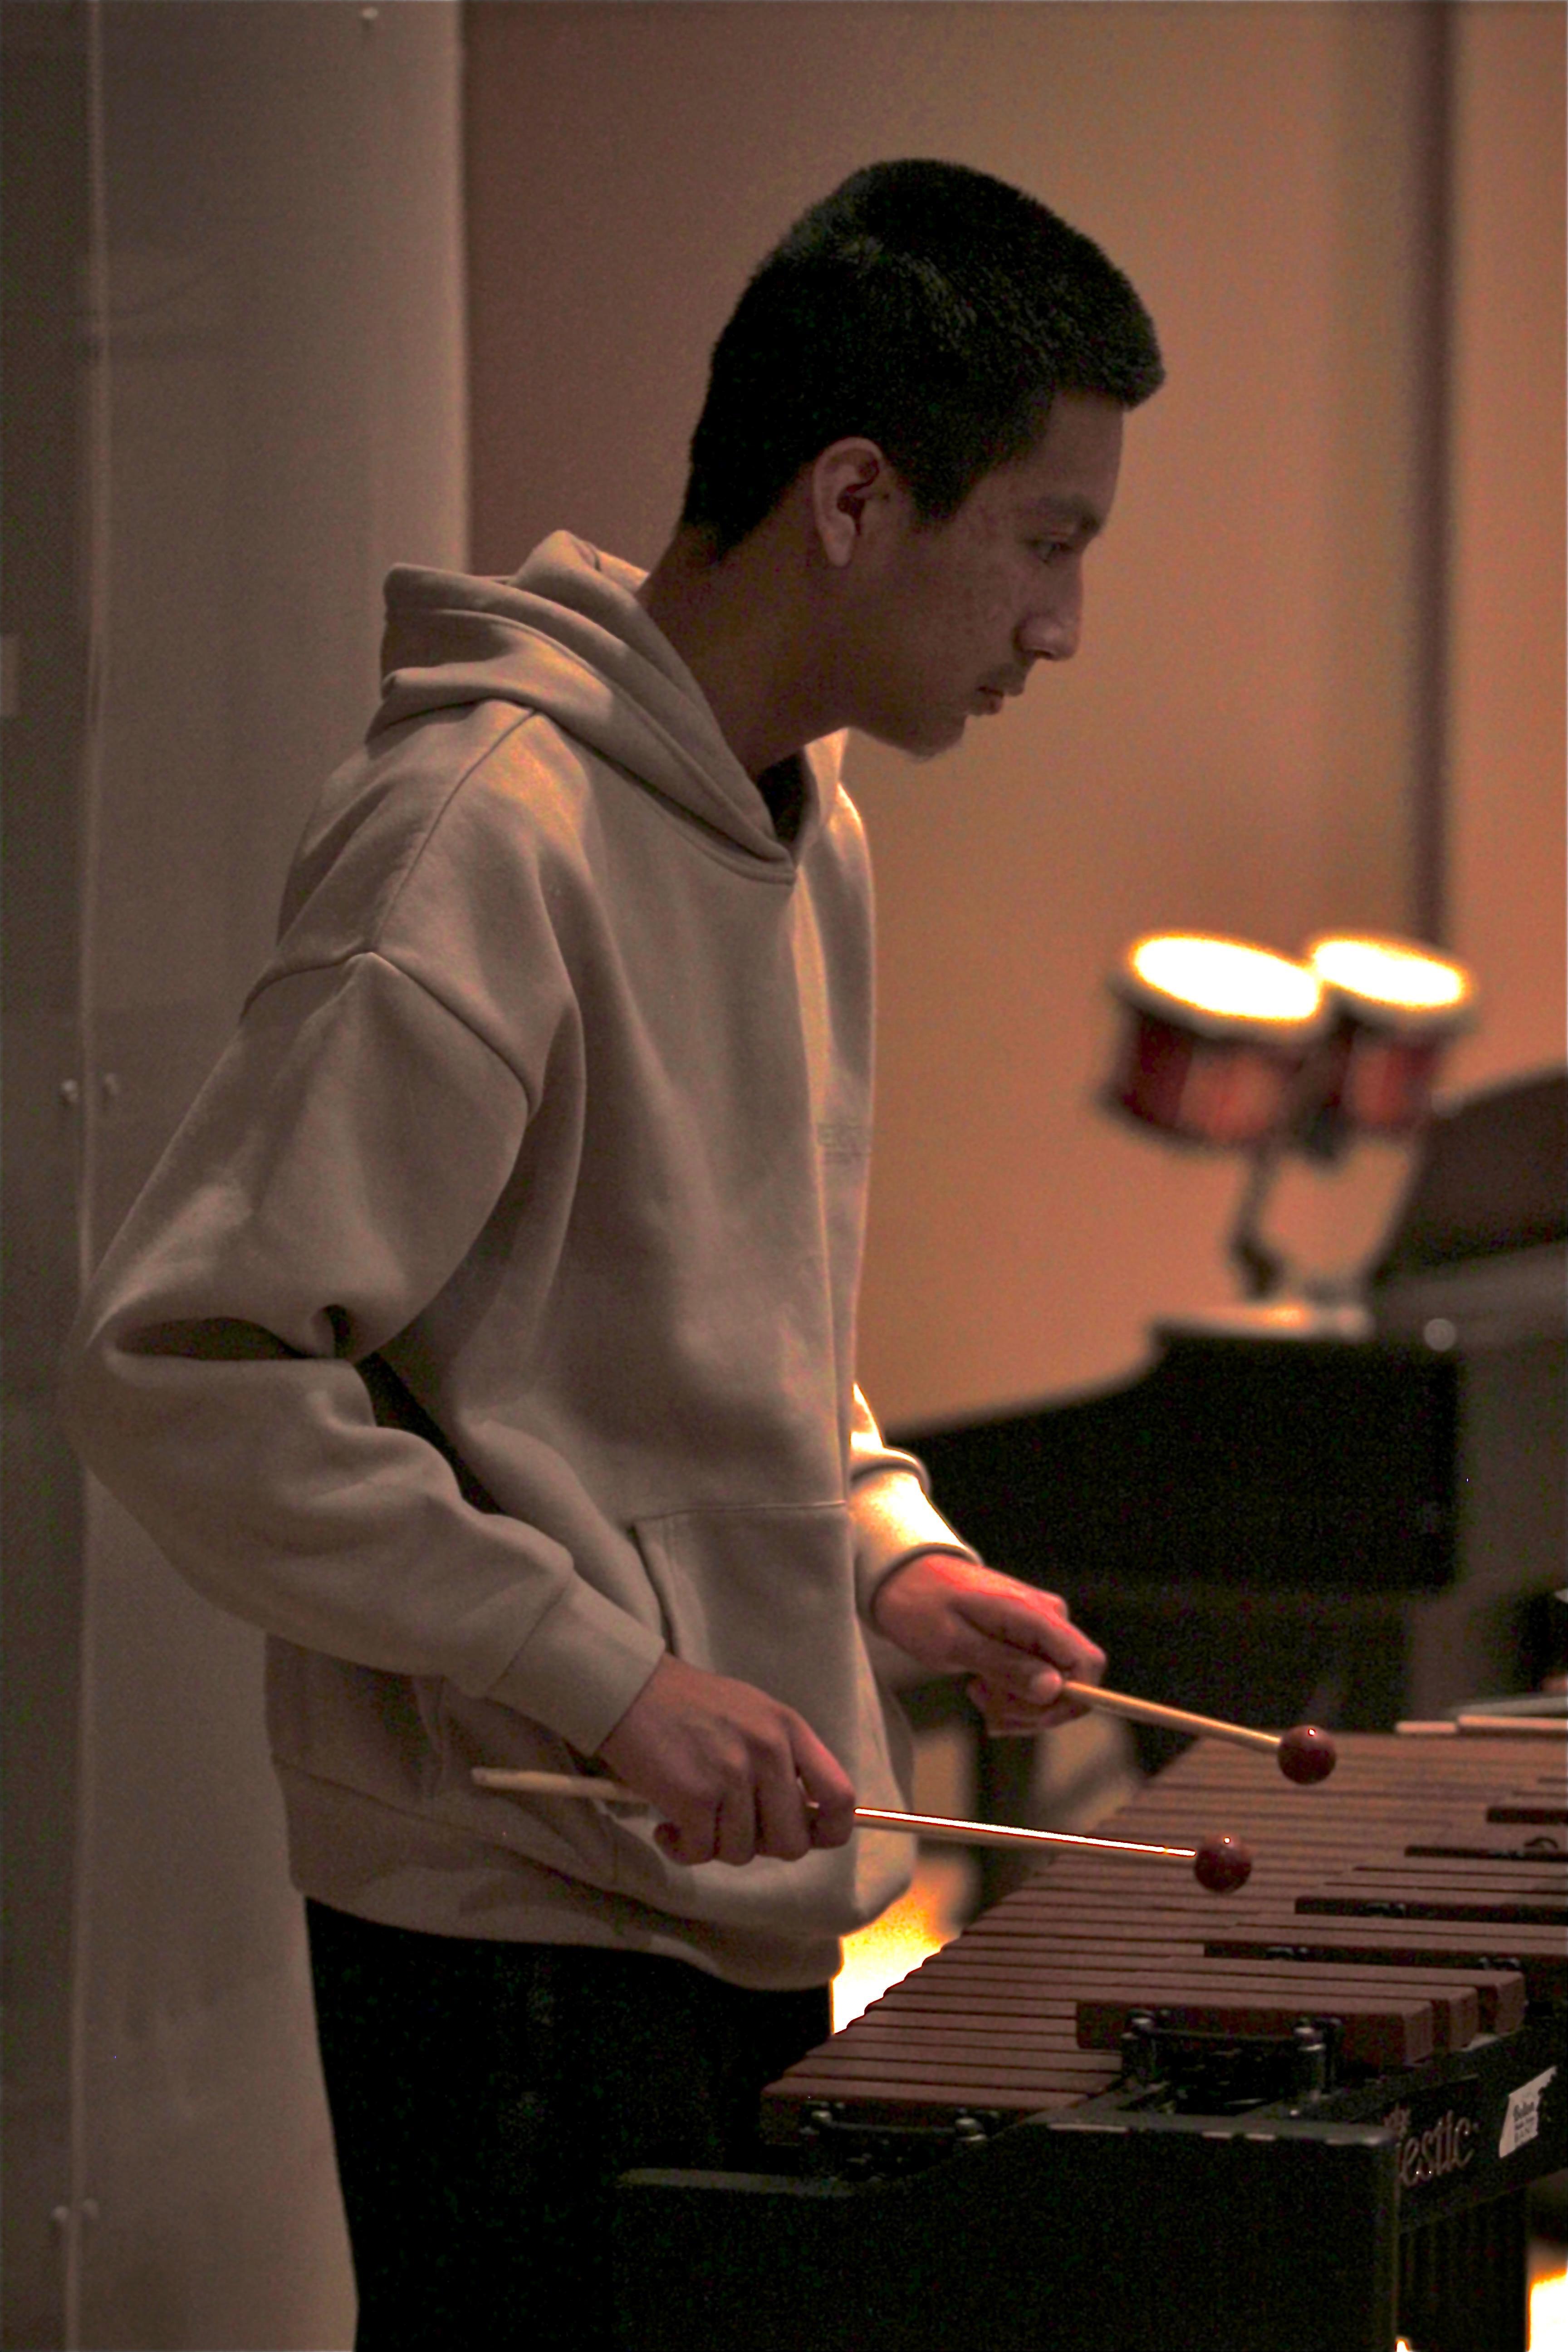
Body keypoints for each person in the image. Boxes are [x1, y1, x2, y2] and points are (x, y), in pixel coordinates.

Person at [63, 159, 1162, 2347]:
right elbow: (185, 1366)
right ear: (852, 497)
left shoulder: (798, 820)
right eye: (1046, 544)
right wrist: (606, 1677)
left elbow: (710, 1328)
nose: (1060, 625)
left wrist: (880, 1550)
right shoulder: (483, 841)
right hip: (510, 1933)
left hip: (713, 1897)